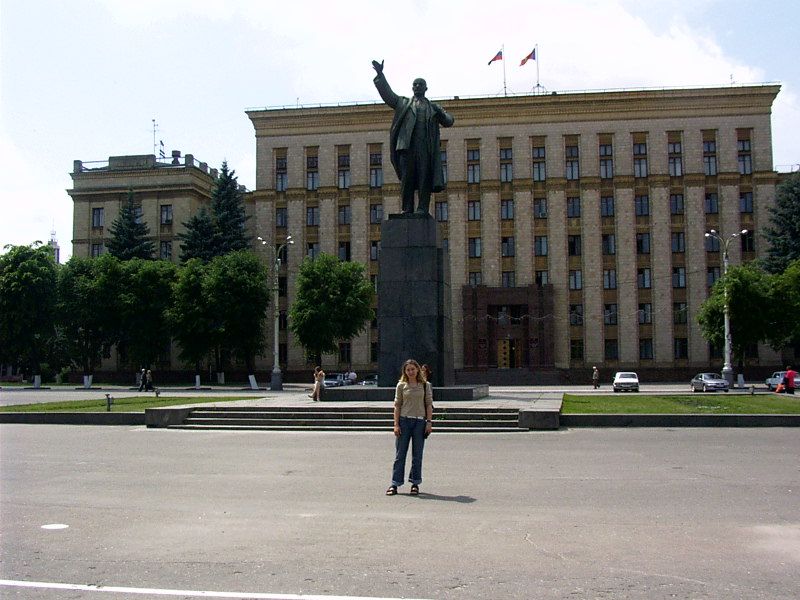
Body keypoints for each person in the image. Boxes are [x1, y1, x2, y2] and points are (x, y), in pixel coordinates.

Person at [372, 60, 454, 215]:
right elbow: (388, 96)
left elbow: (449, 121)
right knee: (407, 179)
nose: (417, 86)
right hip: (406, 147)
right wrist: (380, 75)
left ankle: (422, 208)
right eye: (415, 84)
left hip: (425, 148)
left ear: (426, 88)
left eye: (420, 84)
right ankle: (407, 209)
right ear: (412, 88)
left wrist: (441, 112)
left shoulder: (433, 107)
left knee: (424, 178)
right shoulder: (403, 103)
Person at [386, 359, 433, 497]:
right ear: (405, 372)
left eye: (413, 369)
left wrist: (429, 422)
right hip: (404, 422)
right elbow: (397, 405)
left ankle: (415, 483)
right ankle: (395, 484)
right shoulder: (401, 385)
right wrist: (396, 424)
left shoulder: (425, 385)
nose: (411, 372)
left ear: (417, 369)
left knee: (417, 455)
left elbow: (429, 404)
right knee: (400, 455)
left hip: (419, 423)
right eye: (408, 370)